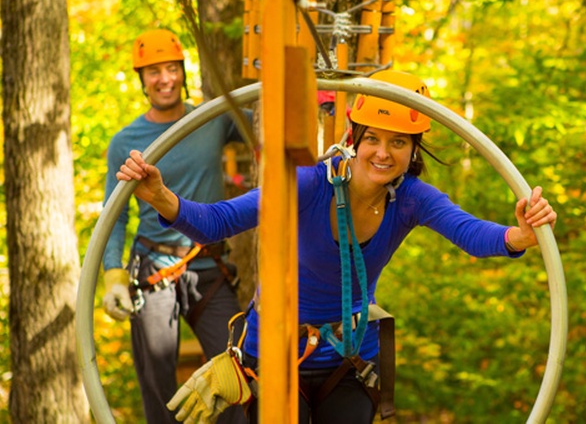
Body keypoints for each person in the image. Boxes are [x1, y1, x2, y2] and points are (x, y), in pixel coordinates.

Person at [116, 70, 558, 424]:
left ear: (413, 149)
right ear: (355, 138)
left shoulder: (411, 198)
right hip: (275, 352)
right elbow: (218, 221)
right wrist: (161, 198)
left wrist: (518, 235)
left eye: (398, 142)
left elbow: (472, 234)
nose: (383, 153)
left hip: (350, 358)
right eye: (373, 139)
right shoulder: (309, 185)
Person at [101, 28, 249, 424]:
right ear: (142, 80)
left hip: (208, 267)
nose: (164, 78)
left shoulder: (211, 119)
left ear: (183, 72)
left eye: (171, 68)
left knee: (239, 368)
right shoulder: (126, 140)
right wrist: (112, 273)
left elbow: (265, 123)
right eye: (153, 72)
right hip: (154, 268)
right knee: (157, 380)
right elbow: (113, 215)